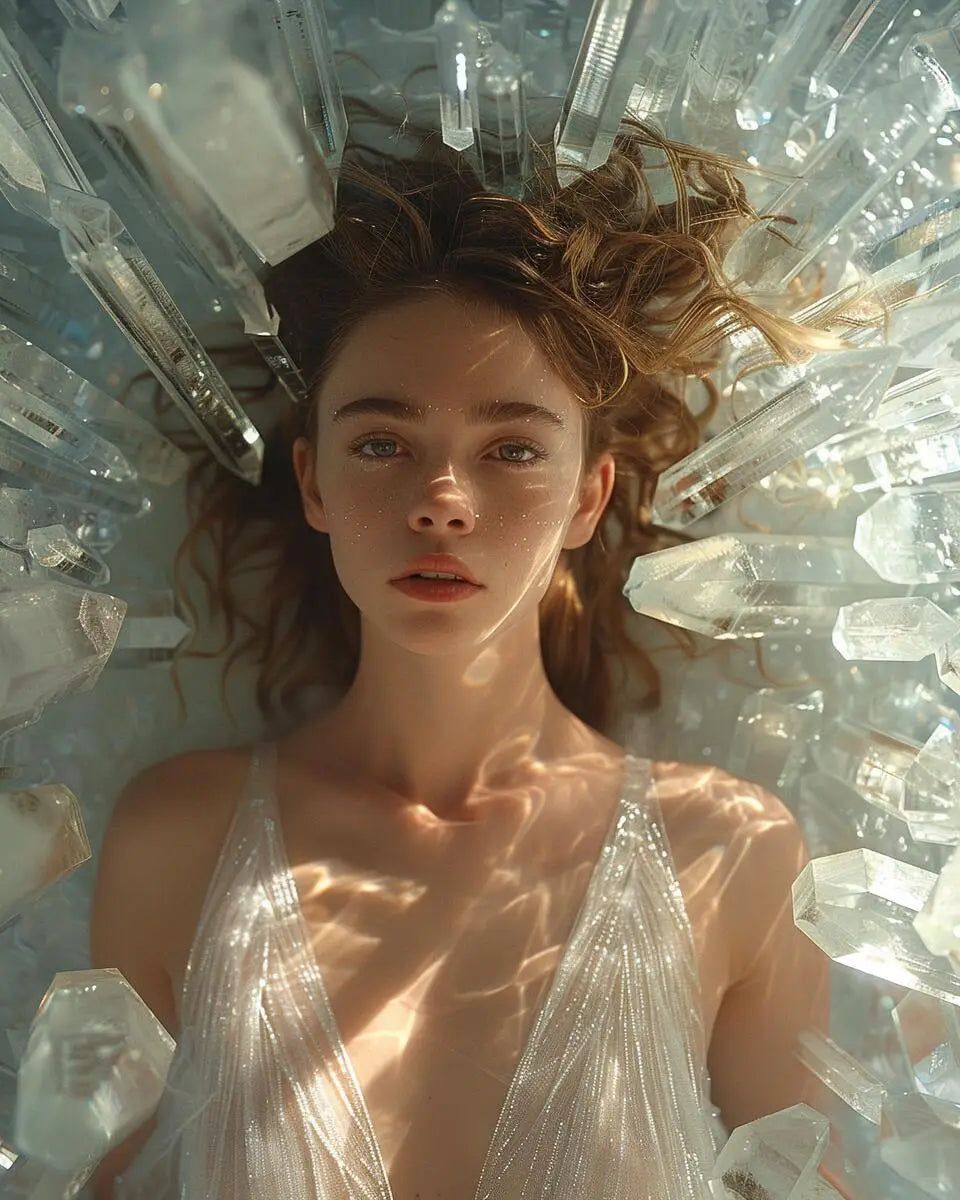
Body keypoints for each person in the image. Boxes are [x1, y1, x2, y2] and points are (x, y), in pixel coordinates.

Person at [89, 118, 837, 1198]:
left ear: (588, 496)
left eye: (512, 450)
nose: (442, 500)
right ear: (314, 482)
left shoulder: (729, 853)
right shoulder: (176, 841)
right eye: (383, 443)